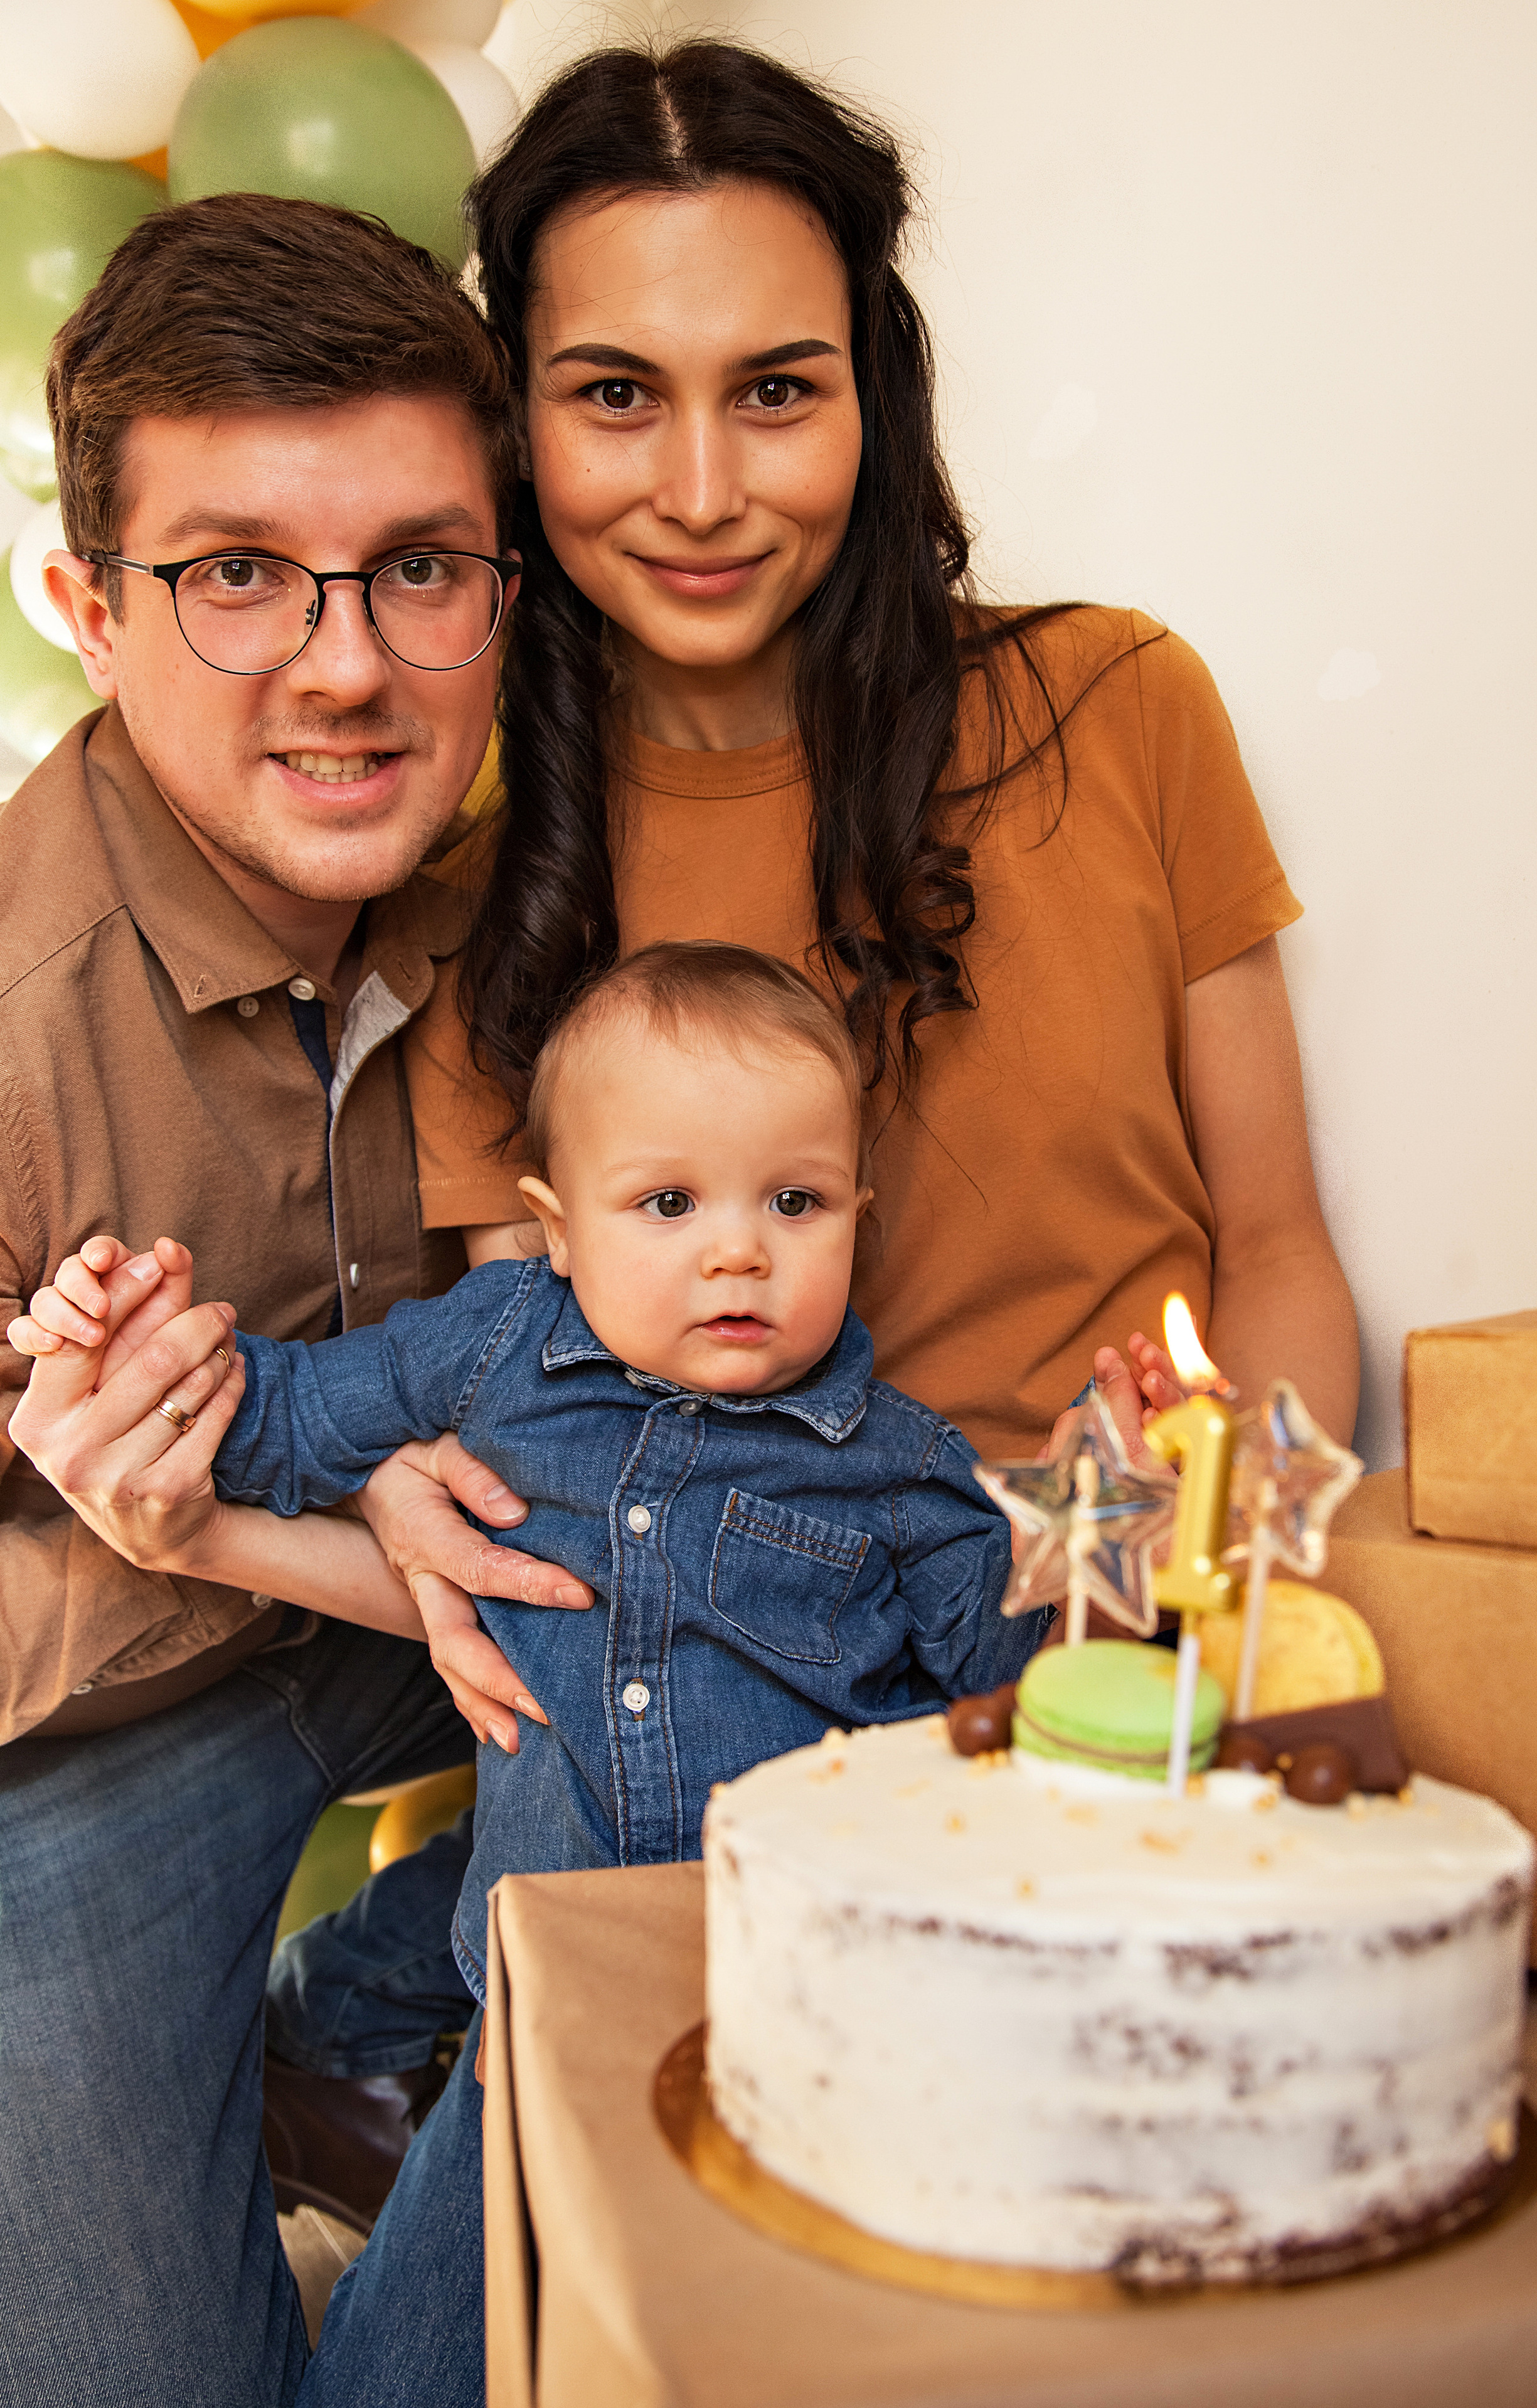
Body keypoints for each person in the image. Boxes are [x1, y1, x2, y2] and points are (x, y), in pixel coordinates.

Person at [13, 38, 1359, 2404]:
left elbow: (1275, 1247)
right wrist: (232, 1485)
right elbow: (528, 1448)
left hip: (1076, 1631)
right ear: (526, 433)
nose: (707, 485)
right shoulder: (486, 885)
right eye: (617, 393)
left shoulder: (1121, 707)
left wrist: (1216, 1610)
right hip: (663, 1705)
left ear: (877, 393)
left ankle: (395, 2016)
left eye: (783, 388)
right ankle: (421, 2040)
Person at [0, 192, 595, 2408]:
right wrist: (151, 1505)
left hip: (415, 1627)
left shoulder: (528, 895)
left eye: (418, 566)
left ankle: (359, 2010)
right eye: (237, 571)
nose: (346, 666)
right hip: (71, 1736)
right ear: (89, 607)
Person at [18, 943, 1051, 2000]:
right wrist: (143, 1357)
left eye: (795, 1202)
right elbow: (296, 1415)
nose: (740, 1251)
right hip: (542, 1979)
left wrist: (1091, 1520)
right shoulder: (500, 1340)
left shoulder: (901, 1464)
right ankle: (336, 2019)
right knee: (446, 2105)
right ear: (558, 1229)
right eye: (669, 1203)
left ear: (856, 1223)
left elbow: (1021, 1668)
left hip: (810, 1979)